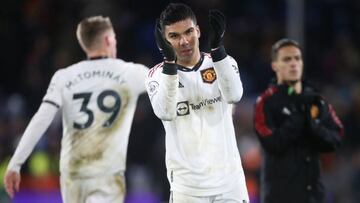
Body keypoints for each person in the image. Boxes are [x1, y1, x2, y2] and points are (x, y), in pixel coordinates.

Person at [4, 16, 148, 203]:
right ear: (107, 40)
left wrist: (15, 164)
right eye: (113, 38)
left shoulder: (64, 76)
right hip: (106, 174)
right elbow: (170, 82)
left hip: (73, 174)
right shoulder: (131, 72)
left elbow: (41, 120)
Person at [145, 3, 249, 203]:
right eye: (174, 36)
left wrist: (219, 50)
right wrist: (169, 62)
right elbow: (165, 111)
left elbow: (234, 95)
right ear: (164, 42)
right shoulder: (156, 75)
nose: (184, 41)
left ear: (198, 31)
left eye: (189, 32)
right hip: (188, 188)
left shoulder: (223, 62)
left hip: (230, 184)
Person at [254, 38, 344, 203]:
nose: (293, 63)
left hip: (314, 196)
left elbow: (336, 137)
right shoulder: (265, 102)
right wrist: (299, 117)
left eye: (297, 58)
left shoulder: (316, 100)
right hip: (280, 197)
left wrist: (313, 125)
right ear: (275, 65)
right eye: (287, 59)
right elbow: (272, 143)